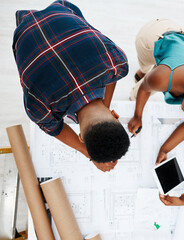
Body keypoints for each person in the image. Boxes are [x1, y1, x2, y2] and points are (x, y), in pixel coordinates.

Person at [12, 1, 129, 172]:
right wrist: (87, 153)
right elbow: (53, 128)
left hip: (60, 10)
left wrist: (105, 107)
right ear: (80, 137)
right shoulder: (39, 108)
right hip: (22, 34)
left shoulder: (117, 62)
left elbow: (113, 76)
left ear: (115, 115)